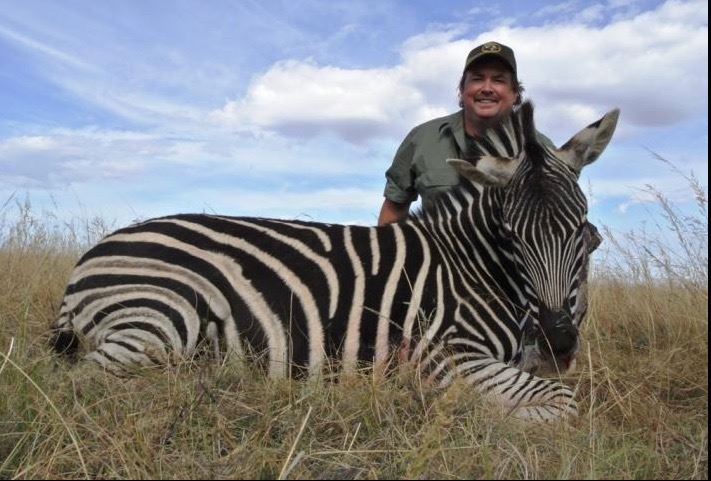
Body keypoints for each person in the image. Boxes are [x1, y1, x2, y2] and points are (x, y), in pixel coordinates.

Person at [377, 41, 555, 225]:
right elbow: (394, 208)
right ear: (462, 90)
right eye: (477, 79)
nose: (487, 88)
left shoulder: (543, 149)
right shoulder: (422, 138)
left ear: (515, 93)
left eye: (498, 80)